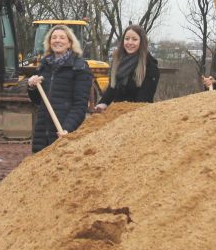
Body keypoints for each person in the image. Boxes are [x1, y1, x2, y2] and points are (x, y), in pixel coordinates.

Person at [27, 25, 93, 153]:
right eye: (54, 37)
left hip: (63, 132)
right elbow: (37, 101)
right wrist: (32, 87)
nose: (58, 40)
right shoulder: (44, 65)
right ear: (49, 42)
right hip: (42, 133)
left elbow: (80, 106)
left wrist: (67, 129)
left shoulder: (79, 67)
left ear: (69, 43)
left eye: (62, 38)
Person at [93, 24, 159, 112]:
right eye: (127, 39)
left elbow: (144, 99)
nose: (130, 42)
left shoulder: (150, 65)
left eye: (134, 39)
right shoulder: (118, 60)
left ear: (141, 42)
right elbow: (112, 87)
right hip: (118, 112)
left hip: (138, 114)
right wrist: (103, 103)